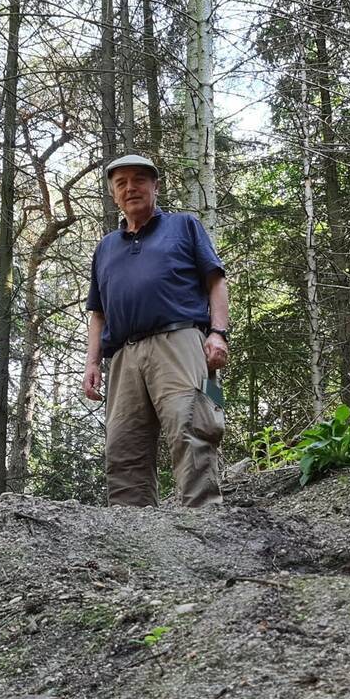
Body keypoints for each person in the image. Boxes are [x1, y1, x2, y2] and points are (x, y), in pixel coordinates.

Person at [82, 153, 231, 507]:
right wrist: (92, 362)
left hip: (179, 340)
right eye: (121, 183)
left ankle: (204, 522)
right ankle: (134, 538)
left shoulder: (183, 226)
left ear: (156, 186)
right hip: (122, 355)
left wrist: (218, 332)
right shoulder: (105, 248)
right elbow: (98, 312)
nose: (130, 188)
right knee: (122, 445)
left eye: (139, 180)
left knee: (191, 426)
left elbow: (217, 281)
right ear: (114, 194)